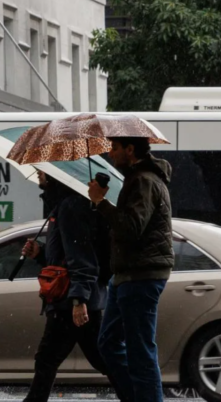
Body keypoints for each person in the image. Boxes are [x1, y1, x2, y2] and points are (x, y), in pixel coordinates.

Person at [87, 137, 174, 402]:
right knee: (109, 343)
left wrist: (101, 202)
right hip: (125, 276)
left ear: (130, 149)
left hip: (141, 275)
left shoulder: (144, 181)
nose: (110, 154)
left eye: (114, 148)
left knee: (141, 353)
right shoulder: (136, 179)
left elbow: (131, 228)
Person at [22, 172, 119, 402]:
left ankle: (138, 394)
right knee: (102, 358)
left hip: (71, 300)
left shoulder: (71, 206)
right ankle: (136, 394)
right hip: (74, 297)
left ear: (55, 175)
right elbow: (67, 257)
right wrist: (41, 254)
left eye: (43, 172)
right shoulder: (63, 206)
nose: (39, 174)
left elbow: (83, 257)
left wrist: (79, 300)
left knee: (47, 359)